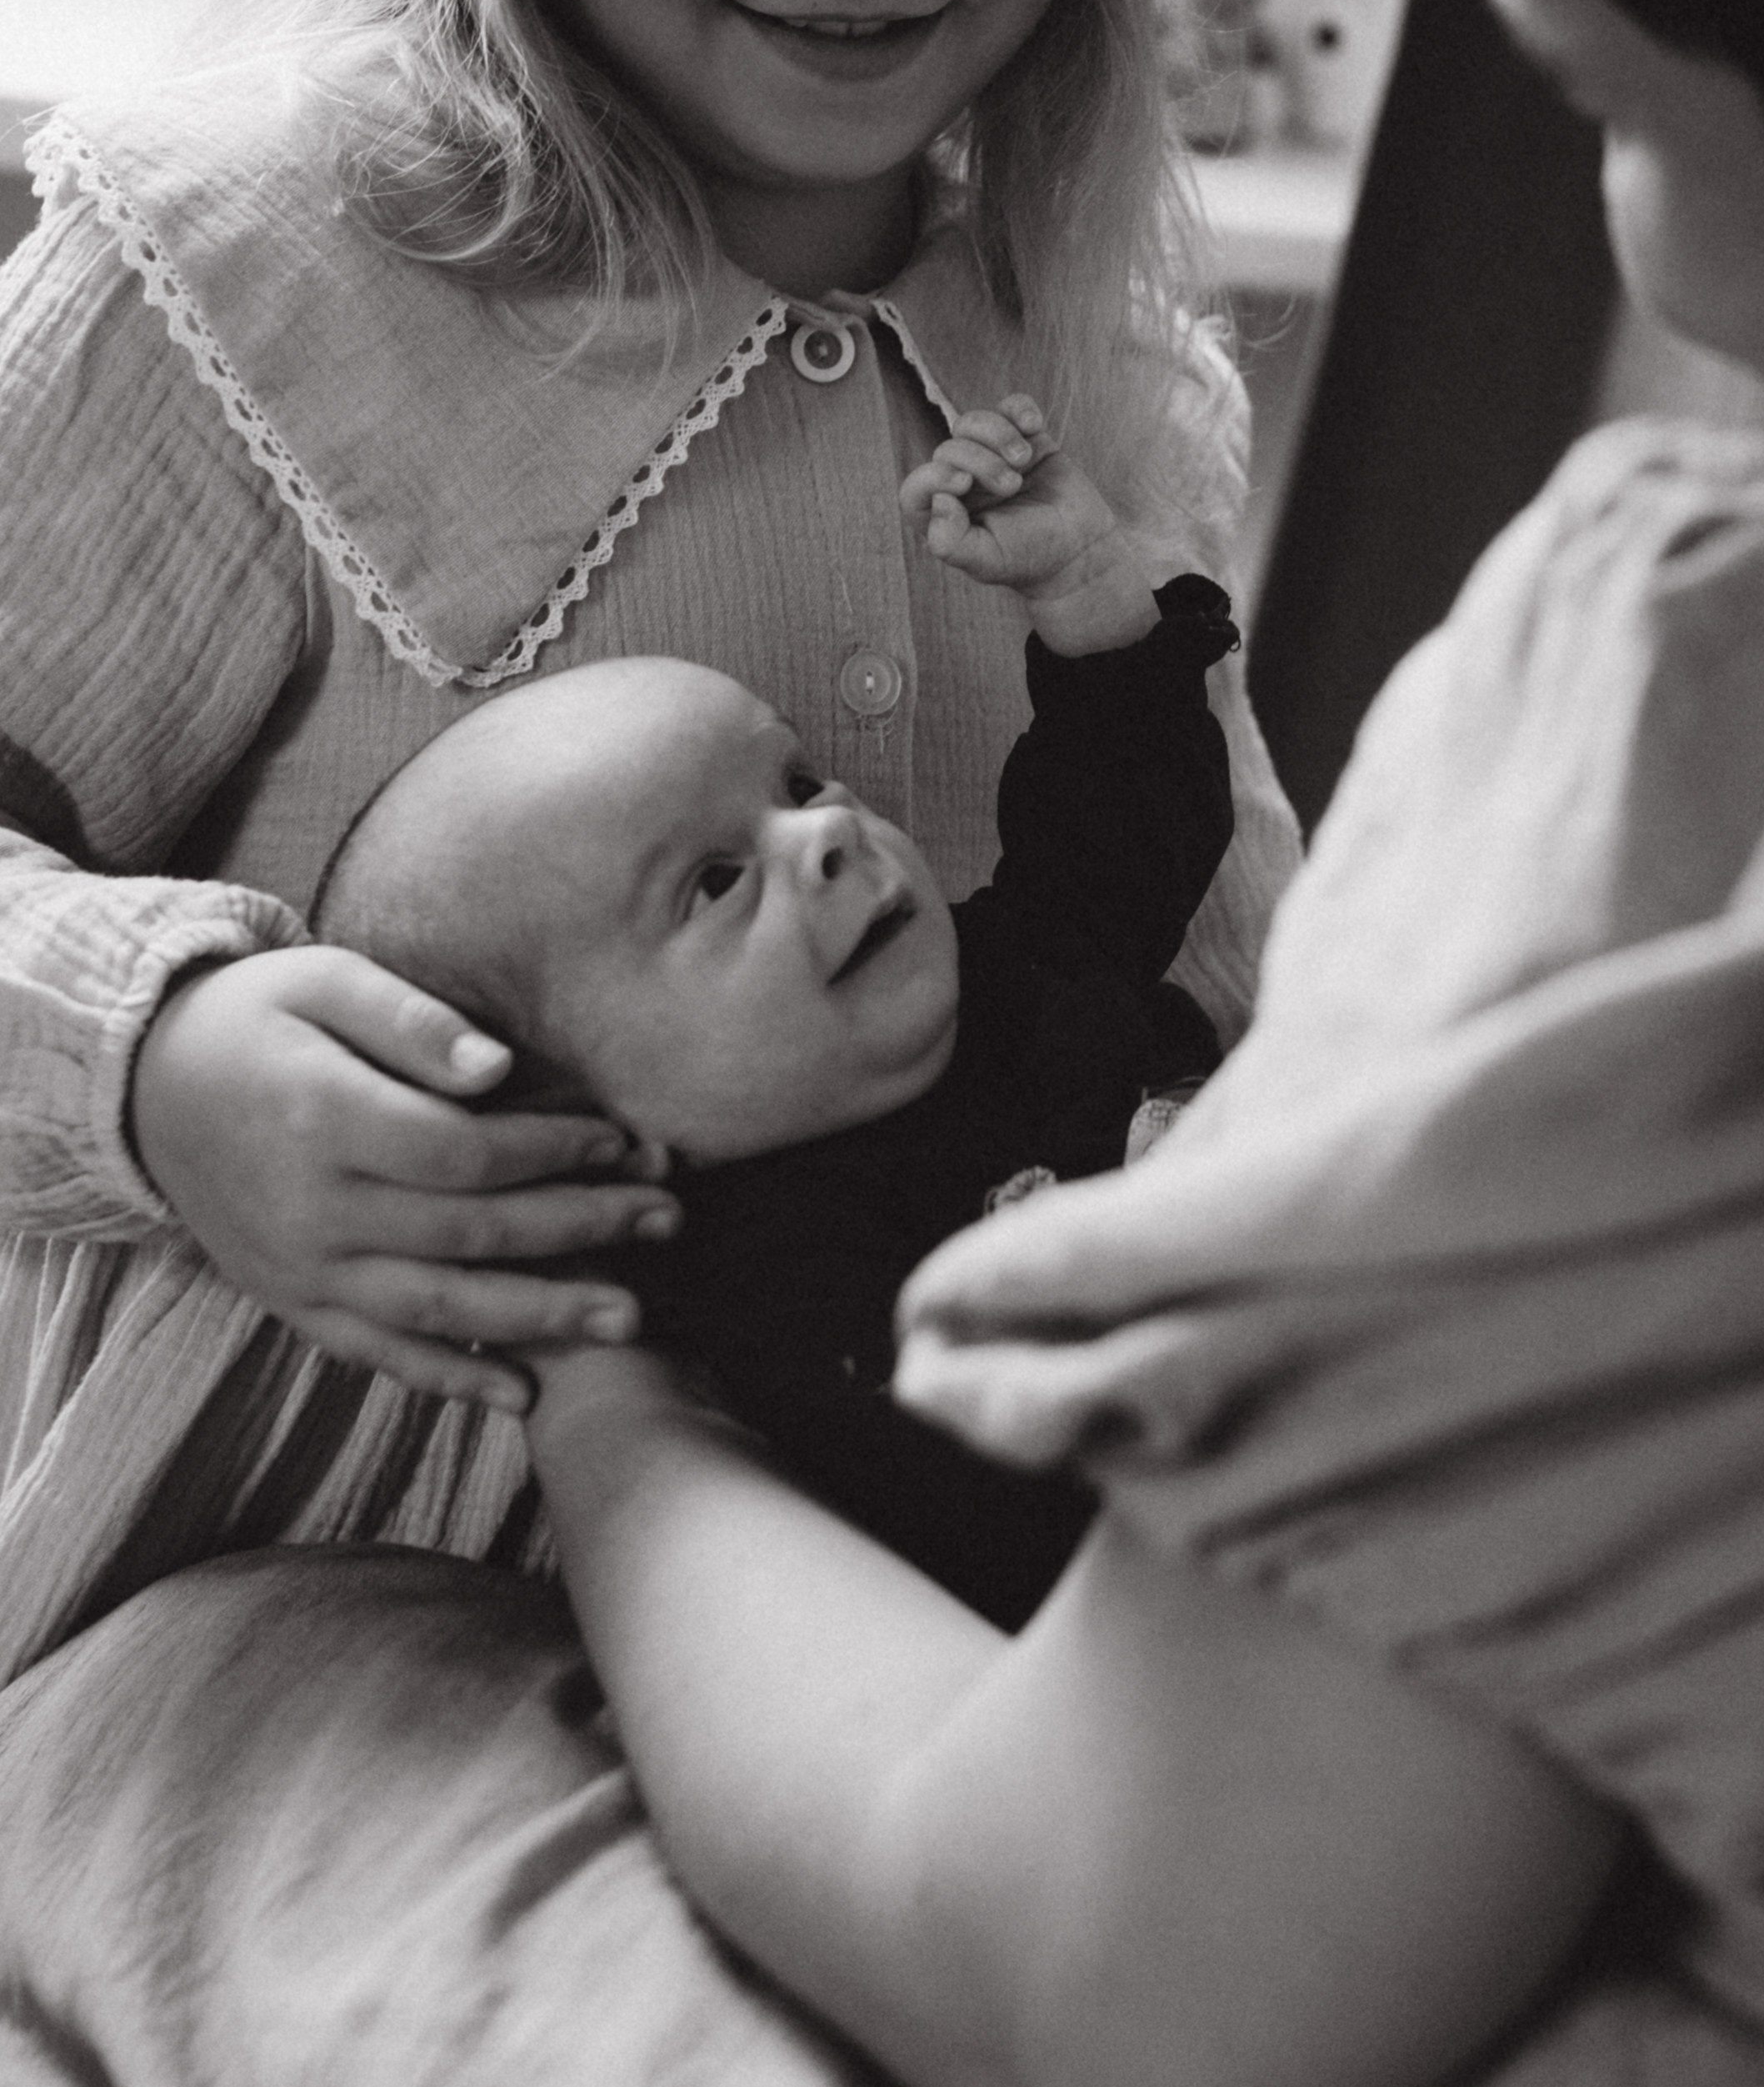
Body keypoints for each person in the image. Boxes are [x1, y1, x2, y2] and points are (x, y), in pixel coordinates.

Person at [0, 0, 1764, 2087]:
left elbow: (1218, 958)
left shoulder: (1096, 361)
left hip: (880, 1575)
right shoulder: (226, 277)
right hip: (330, 1513)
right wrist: (145, 1051)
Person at [0, 0, 1298, 1642]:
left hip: (972, 1662)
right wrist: (151, 1061)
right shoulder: (233, 280)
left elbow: (1238, 991)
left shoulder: (1111, 396)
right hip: (324, 1673)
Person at [317, 402, 1241, 1624]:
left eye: (797, 781)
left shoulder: (1014, 970)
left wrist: (1086, 590)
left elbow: (1121, 828)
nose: (823, 832)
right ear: (584, 1119)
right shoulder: (765, 1291)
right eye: (713, 882)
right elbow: (970, 1518)